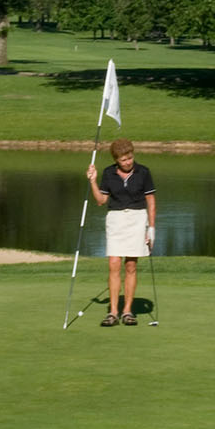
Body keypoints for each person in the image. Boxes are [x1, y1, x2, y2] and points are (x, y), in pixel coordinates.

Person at [87, 138, 156, 326]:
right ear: (116, 159)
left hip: (137, 218)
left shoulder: (143, 172)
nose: (128, 162)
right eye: (124, 160)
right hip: (116, 220)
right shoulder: (109, 173)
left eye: (130, 158)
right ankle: (113, 312)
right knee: (114, 264)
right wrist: (93, 181)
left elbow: (150, 200)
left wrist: (151, 228)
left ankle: (127, 312)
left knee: (131, 265)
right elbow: (101, 200)